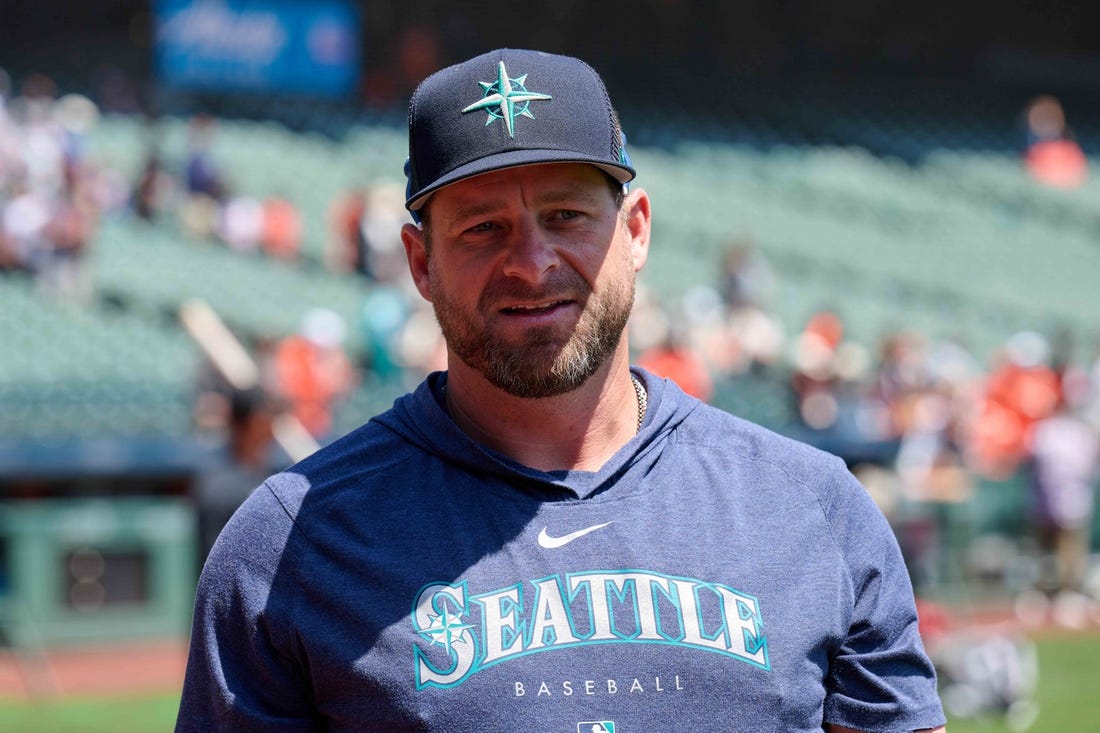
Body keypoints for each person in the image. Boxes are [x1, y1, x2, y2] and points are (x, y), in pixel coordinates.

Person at [176, 48, 946, 732]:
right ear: (420, 262)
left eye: (566, 215)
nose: (532, 262)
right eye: (482, 228)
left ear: (636, 230)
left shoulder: (812, 505)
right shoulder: (287, 546)